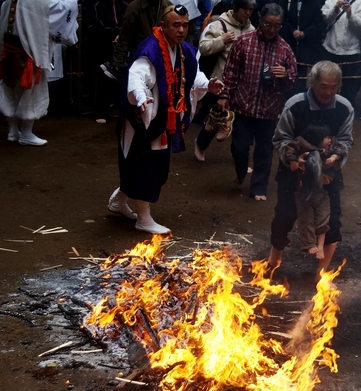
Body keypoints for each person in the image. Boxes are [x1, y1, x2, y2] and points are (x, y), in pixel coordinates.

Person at [107, 5, 225, 234]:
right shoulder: (150, 48)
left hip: (166, 117)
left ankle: (118, 202)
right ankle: (143, 218)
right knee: (147, 168)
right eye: (176, 25)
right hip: (144, 119)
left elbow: (194, 75)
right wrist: (141, 99)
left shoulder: (186, 50)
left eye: (184, 25)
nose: (181, 30)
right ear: (163, 26)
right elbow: (137, 78)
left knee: (142, 167)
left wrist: (207, 85)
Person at [267, 61, 353, 280]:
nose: (329, 91)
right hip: (294, 170)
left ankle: (321, 275)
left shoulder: (344, 108)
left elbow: (345, 140)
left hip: (328, 173)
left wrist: (334, 158)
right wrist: (295, 158)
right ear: (313, 83)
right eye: (324, 86)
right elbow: (281, 137)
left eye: (334, 87)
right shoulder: (295, 105)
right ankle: (272, 262)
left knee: (332, 220)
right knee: (284, 216)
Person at [218, 3, 297, 201]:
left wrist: (285, 75)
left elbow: (293, 79)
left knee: (264, 150)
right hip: (243, 105)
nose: (272, 29)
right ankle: (241, 171)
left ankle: (258, 187)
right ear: (260, 21)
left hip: (268, 109)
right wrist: (225, 95)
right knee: (239, 146)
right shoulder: (243, 42)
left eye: (277, 26)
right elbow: (230, 72)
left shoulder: (285, 49)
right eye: (268, 24)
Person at [0, 0, 79, 145]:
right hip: (29, 52)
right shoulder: (38, 1)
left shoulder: (8, 1)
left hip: (9, 49)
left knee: (10, 87)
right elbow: (65, 8)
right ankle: (25, 133)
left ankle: (13, 131)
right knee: (30, 91)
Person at [193, 0, 255, 161]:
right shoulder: (219, 24)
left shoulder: (252, 30)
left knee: (241, 124)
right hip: (221, 82)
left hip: (242, 86)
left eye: (251, 10)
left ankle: (240, 163)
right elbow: (203, 48)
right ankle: (200, 144)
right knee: (215, 119)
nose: (248, 13)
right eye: (245, 9)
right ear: (236, 8)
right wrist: (221, 40)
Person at [283, 123, 347, 259]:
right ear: (318, 138)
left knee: (323, 218)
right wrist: (295, 161)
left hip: (323, 191)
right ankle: (308, 244)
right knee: (306, 219)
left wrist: (333, 158)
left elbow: (341, 148)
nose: (329, 140)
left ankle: (320, 245)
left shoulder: (330, 147)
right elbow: (289, 150)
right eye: (326, 138)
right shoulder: (302, 145)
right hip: (304, 191)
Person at [102, 0, 172, 82]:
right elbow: (124, 38)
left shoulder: (168, 7)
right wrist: (117, 65)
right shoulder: (135, 7)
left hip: (163, 61)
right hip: (140, 60)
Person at [321, 0, 361, 107]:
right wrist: (335, 9)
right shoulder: (331, 1)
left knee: (349, 83)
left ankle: (346, 107)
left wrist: (350, 13)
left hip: (351, 48)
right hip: (331, 46)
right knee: (328, 79)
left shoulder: (360, 3)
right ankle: (326, 104)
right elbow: (325, 18)